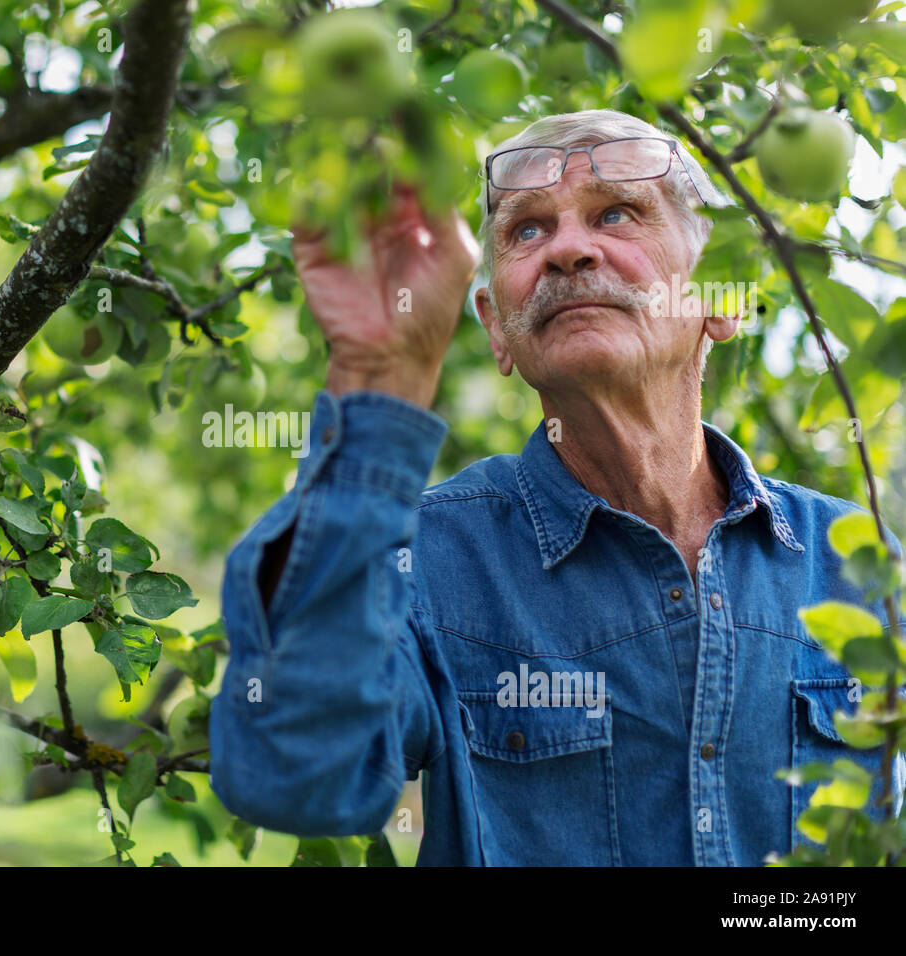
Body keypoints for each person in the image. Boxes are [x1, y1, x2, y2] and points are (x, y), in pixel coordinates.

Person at [208, 108, 905, 865]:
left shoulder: (857, 564)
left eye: (617, 212)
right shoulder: (422, 558)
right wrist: (381, 379)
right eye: (527, 230)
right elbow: (294, 777)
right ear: (495, 327)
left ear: (724, 295)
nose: (569, 249)